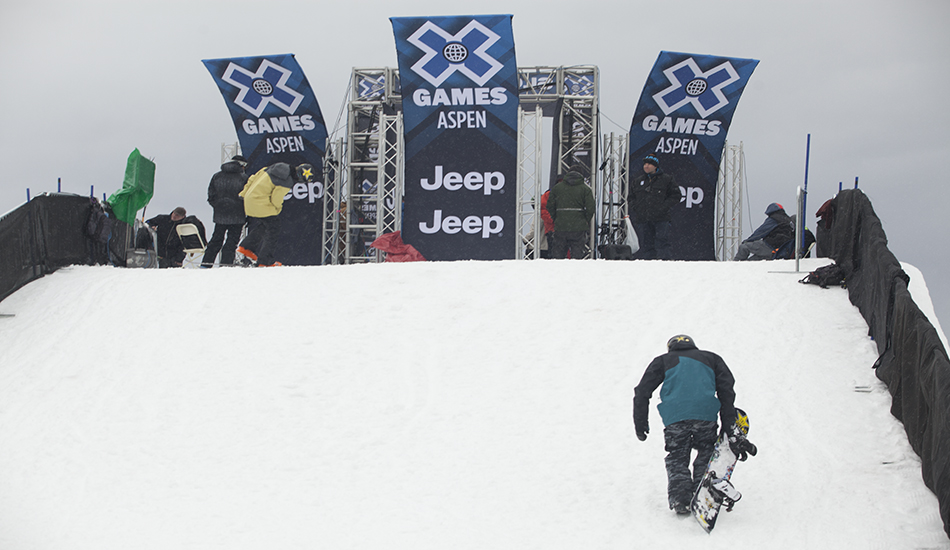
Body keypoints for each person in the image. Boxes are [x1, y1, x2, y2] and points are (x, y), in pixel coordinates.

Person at [633, 334, 756, 515]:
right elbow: (726, 391)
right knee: (706, 450)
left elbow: (642, 391)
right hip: (705, 414)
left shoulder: (663, 361)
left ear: (670, 348)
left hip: (675, 416)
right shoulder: (711, 358)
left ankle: (680, 498)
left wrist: (640, 423)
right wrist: (729, 424)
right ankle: (703, 490)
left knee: (677, 455)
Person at [237, 162, 314, 267]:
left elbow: (252, 178)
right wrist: (277, 209)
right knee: (274, 228)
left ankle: (246, 247)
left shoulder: (271, 167)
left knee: (266, 224)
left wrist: (243, 193)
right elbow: (276, 198)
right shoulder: (287, 181)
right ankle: (265, 261)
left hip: (249, 200)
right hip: (261, 202)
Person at [628, 154, 679, 260]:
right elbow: (631, 198)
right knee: (647, 244)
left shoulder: (667, 179)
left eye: (649, 164)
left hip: (661, 218)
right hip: (644, 218)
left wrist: (663, 207)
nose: (646, 166)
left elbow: (676, 196)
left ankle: (664, 264)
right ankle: (649, 266)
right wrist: (637, 208)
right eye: (645, 164)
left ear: (656, 166)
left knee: (661, 242)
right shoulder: (638, 181)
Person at [201, 154, 248, 267]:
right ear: (242, 165)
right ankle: (226, 265)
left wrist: (218, 206)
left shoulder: (217, 176)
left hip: (220, 214)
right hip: (238, 215)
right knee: (231, 242)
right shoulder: (244, 178)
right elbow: (247, 196)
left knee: (216, 240)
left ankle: (206, 263)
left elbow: (211, 195)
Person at [546, 170, 595, 259]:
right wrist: (585, 220)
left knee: (558, 254)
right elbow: (591, 208)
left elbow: (549, 205)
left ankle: (557, 271)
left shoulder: (557, 188)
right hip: (578, 227)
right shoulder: (585, 189)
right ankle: (576, 271)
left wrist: (556, 218)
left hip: (561, 226)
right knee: (577, 254)